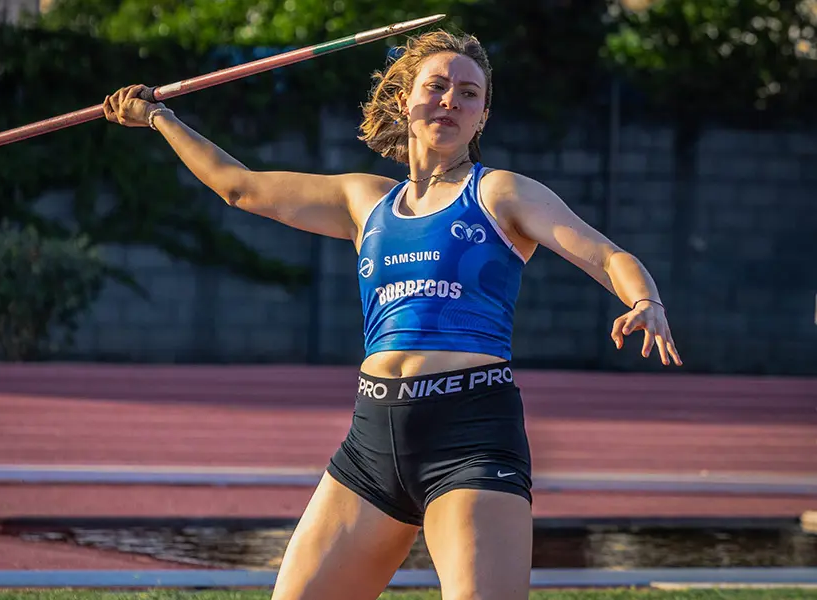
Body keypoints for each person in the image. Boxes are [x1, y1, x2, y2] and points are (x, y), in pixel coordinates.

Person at [103, 29, 682, 600]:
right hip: (371, 441)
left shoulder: (500, 193)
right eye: (436, 86)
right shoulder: (364, 202)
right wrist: (160, 118)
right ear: (405, 99)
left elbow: (608, 255)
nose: (450, 100)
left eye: (468, 93)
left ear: (482, 118)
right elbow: (241, 188)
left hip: (471, 438)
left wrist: (643, 300)